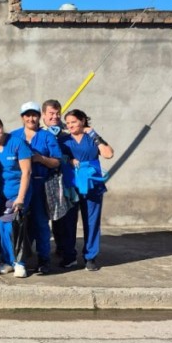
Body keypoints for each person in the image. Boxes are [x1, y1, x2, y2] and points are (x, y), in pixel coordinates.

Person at [59, 109, 114, 271]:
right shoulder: (64, 140)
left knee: (91, 221)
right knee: (68, 222)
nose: (70, 126)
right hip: (72, 186)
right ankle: (69, 256)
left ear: (83, 121)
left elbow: (108, 154)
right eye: (68, 123)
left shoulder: (92, 139)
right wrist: (69, 159)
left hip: (92, 185)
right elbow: (58, 158)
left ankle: (90, 257)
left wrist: (95, 136)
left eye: (73, 122)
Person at [10, 101, 62, 275]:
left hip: (40, 184)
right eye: (27, 115)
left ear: (39, 116)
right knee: (19, 223)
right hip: (19, 186)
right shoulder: (14, 136)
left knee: (41, 223)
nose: (31, 118)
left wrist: (41, 159)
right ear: (22, 117)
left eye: (34, 115)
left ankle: (43, 260)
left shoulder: (47, 136)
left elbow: (57, 161)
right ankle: (18, 259)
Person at [0, 115, 32, 278]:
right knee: (0, 228)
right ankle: (7, 261)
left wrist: (21, 197)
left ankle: (20, 263)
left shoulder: (17, 143)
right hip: (0, 196)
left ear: (2, 126)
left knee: (13, 227)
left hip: (18, 193)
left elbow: (26, 172)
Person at [41, 99, 69, 258]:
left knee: (62, 219)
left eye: (58, 113)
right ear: (43, 114)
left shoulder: (66, 133)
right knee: (41, 219)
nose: (55, 116)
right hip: (43, 180)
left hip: (63, 182)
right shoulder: (37, 133)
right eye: (51, 113)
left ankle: (63, 249)